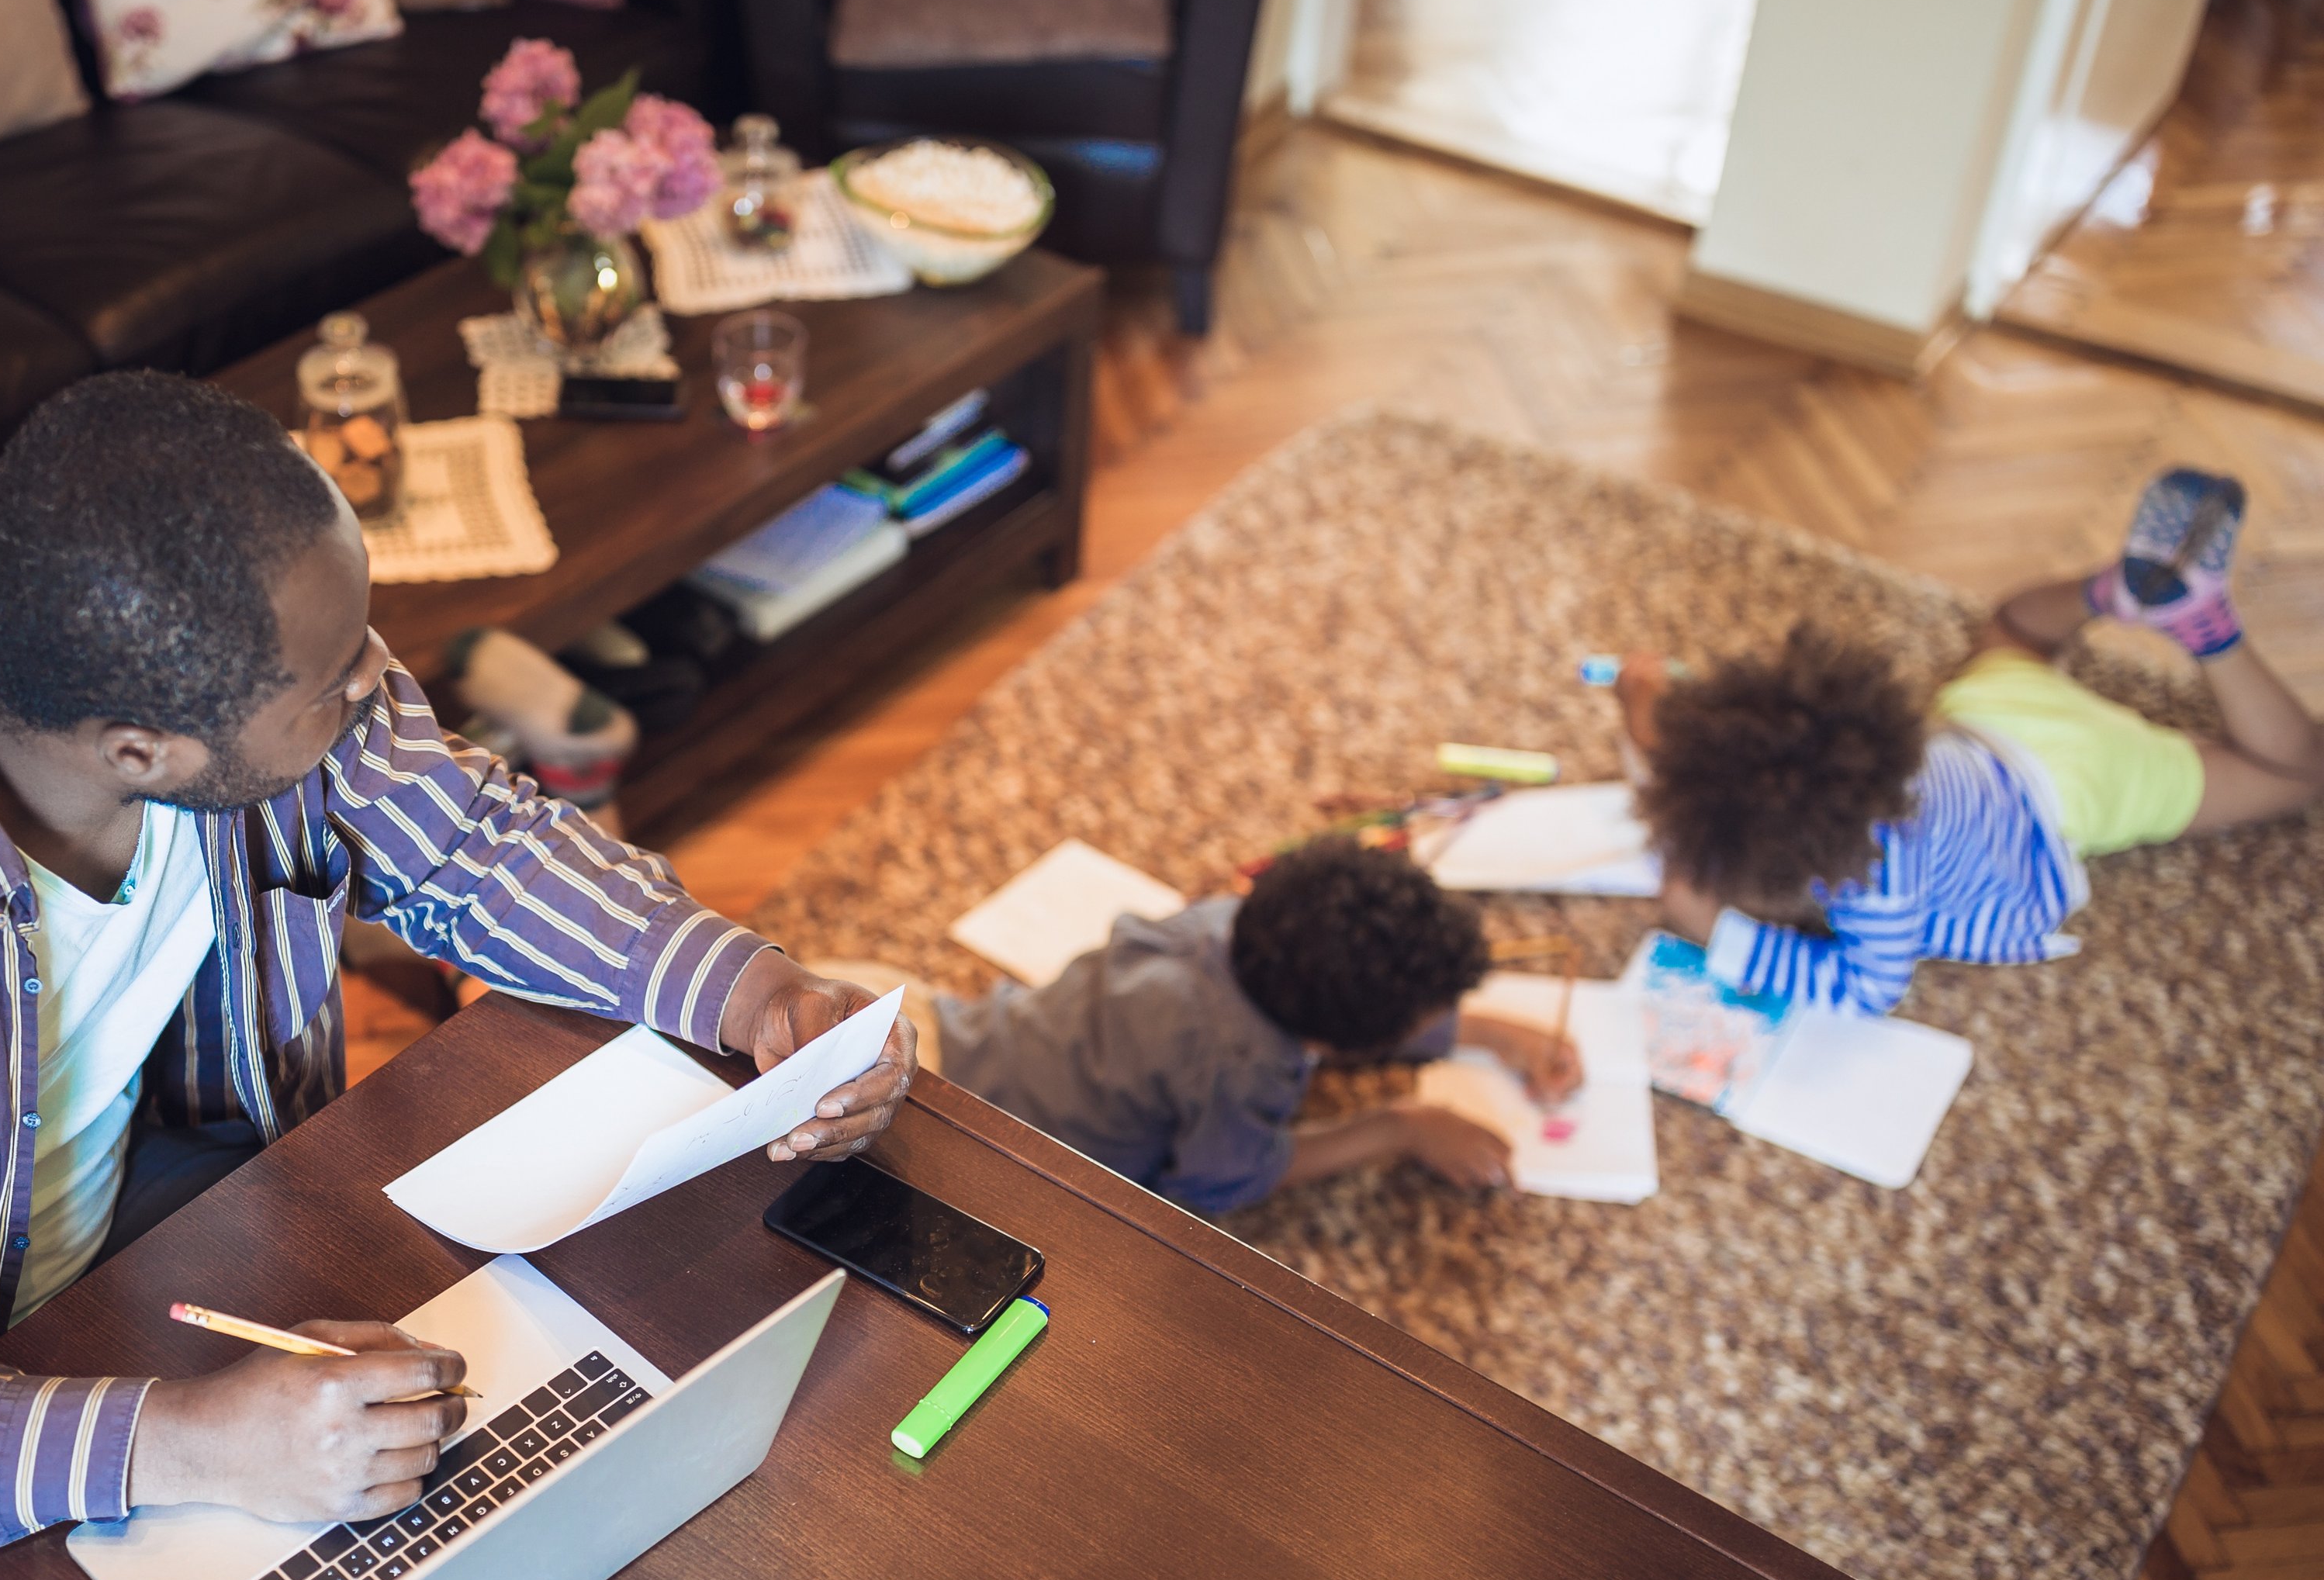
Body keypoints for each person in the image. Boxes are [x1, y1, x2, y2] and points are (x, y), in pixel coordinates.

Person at [0, 372, 914, 1573]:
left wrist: (748, 990)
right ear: (141, 752)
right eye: (330, 688)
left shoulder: (149, 628)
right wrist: (186, 1444)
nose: (374, 685)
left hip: (190, 1242)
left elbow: (471, 845)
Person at [1620, 466, 2324, 1016]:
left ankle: (2204, 626)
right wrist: (1644, 703)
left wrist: (1720, 931)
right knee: (2015, 629)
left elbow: (1869, 987)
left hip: (2073, 785)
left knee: (2293, 771)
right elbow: (1687, 755)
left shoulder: (1874, 882)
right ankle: (2117, 593)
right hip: (1990, 716)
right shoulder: (1825, 757)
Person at [831, 840, 1579, 1216]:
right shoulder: (1242, 1067)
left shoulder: (1224, 923)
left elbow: (1345, 1000)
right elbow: (1225, 1181)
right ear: (1336, 1044)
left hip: (944, 1026)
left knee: (825, 997)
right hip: (957, 1134)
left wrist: (1480, 1030)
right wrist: (1400, 1128)